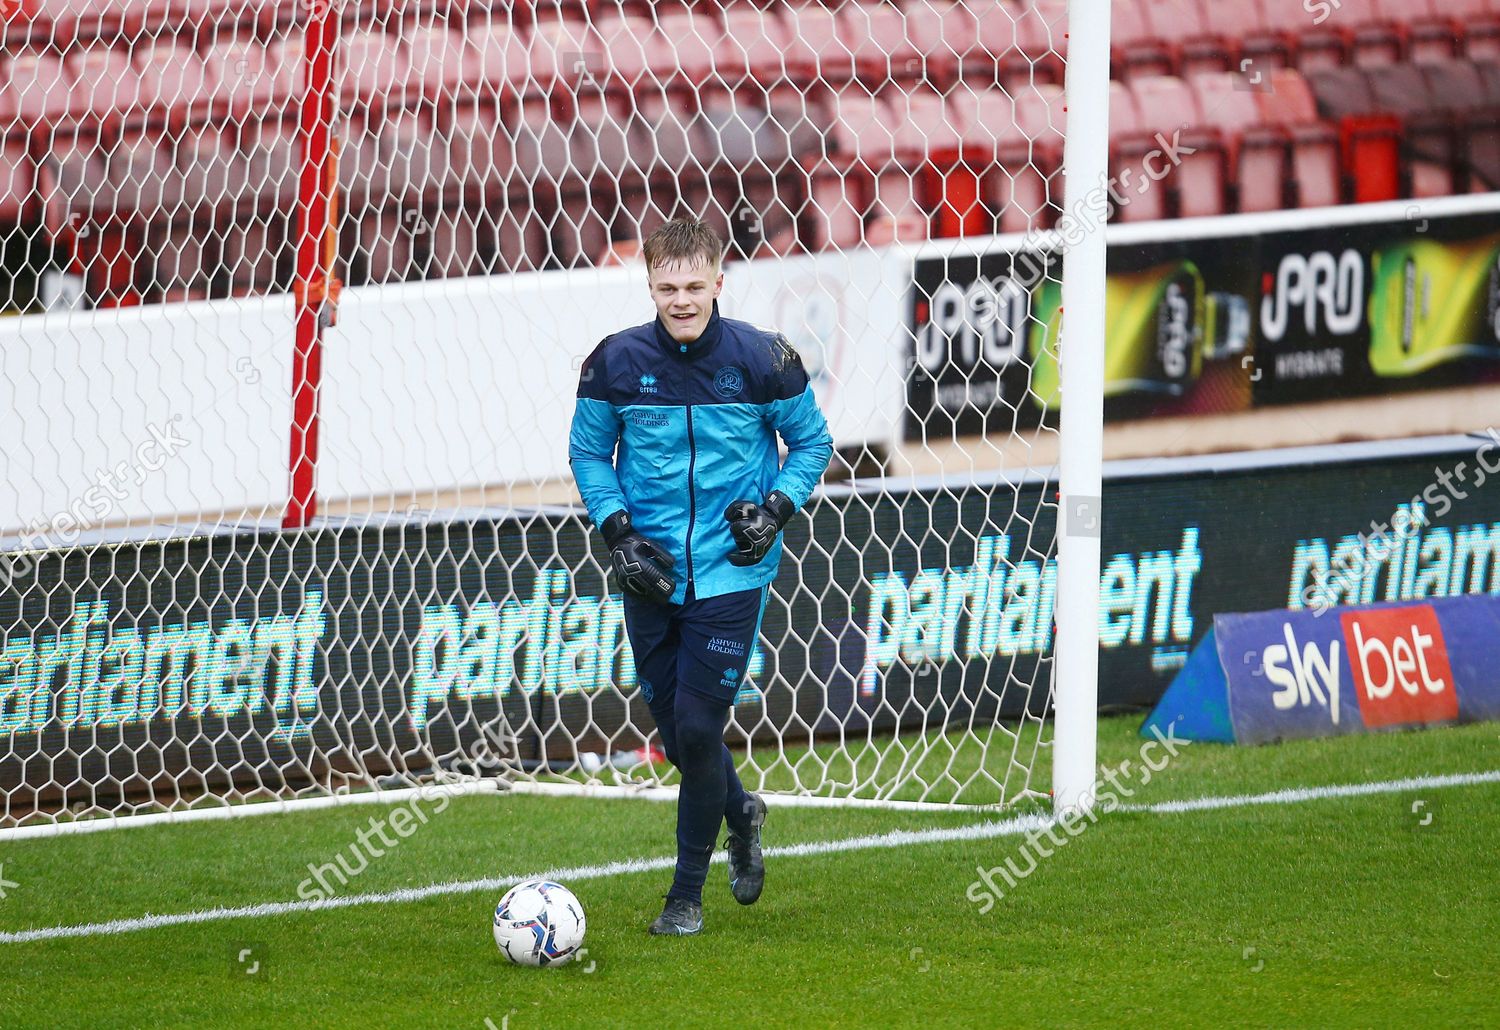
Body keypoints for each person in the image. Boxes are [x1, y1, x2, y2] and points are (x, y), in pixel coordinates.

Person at [568, 217, 834, 936]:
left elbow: (811, 441)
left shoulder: (764, 359)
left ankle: (685, 894)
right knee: (685, 735)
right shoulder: (613, 363)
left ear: (720, 280)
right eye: (666, 287)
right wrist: (617, 530)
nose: (681, 300)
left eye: (694, 285)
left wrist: (776, 508)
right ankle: (742, 811)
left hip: (730, 572)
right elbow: (589, 454)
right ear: (648, 284)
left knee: (694, 724)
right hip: (647, 575)